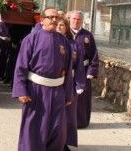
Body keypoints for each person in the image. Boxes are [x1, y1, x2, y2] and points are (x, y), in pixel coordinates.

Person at [12, 8, 74, 151]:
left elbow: (68, 70)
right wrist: (21, 91)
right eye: (50, 17)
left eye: (56, 17)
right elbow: (21, 66)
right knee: (34, 127)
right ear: (42, 20)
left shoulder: (64, 41)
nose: (53, 20)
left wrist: (68, 93)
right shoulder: (31, 39)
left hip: (58, 92)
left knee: (57, 128)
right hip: (36, 91)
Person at [56, 18, 86, 149]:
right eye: (57, 25)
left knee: (68, 115)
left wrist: (80, 84)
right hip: (54, 83)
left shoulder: (75, 45)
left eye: (62, 25)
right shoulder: (49, 41)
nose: (59, 27)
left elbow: (79, 67)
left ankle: (64, 143)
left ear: (67, 27)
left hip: (70, 84)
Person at [69, 11, 99, 129]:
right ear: (70, 19)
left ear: (82, 21)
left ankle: (81, 122)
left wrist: (92, 71)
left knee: (82, 99)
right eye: (74, 19)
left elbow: (94, 55)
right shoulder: (64, 33)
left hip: (84, 71)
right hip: (68, 71)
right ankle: (67, 121)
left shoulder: (87, 36)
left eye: (78, 19)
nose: (76, 21)